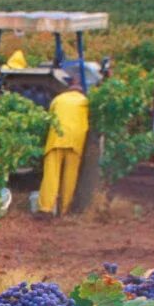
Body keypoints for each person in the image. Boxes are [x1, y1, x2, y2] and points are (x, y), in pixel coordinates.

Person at [38, 86, 90, 216]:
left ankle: (46, 209)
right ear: (80, 92)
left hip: (56, 140)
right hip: (76, 141)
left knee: (51, 175)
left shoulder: (58, 99)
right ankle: (64, 210)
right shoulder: (85, 101)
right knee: (70, 176)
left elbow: (49, 118)